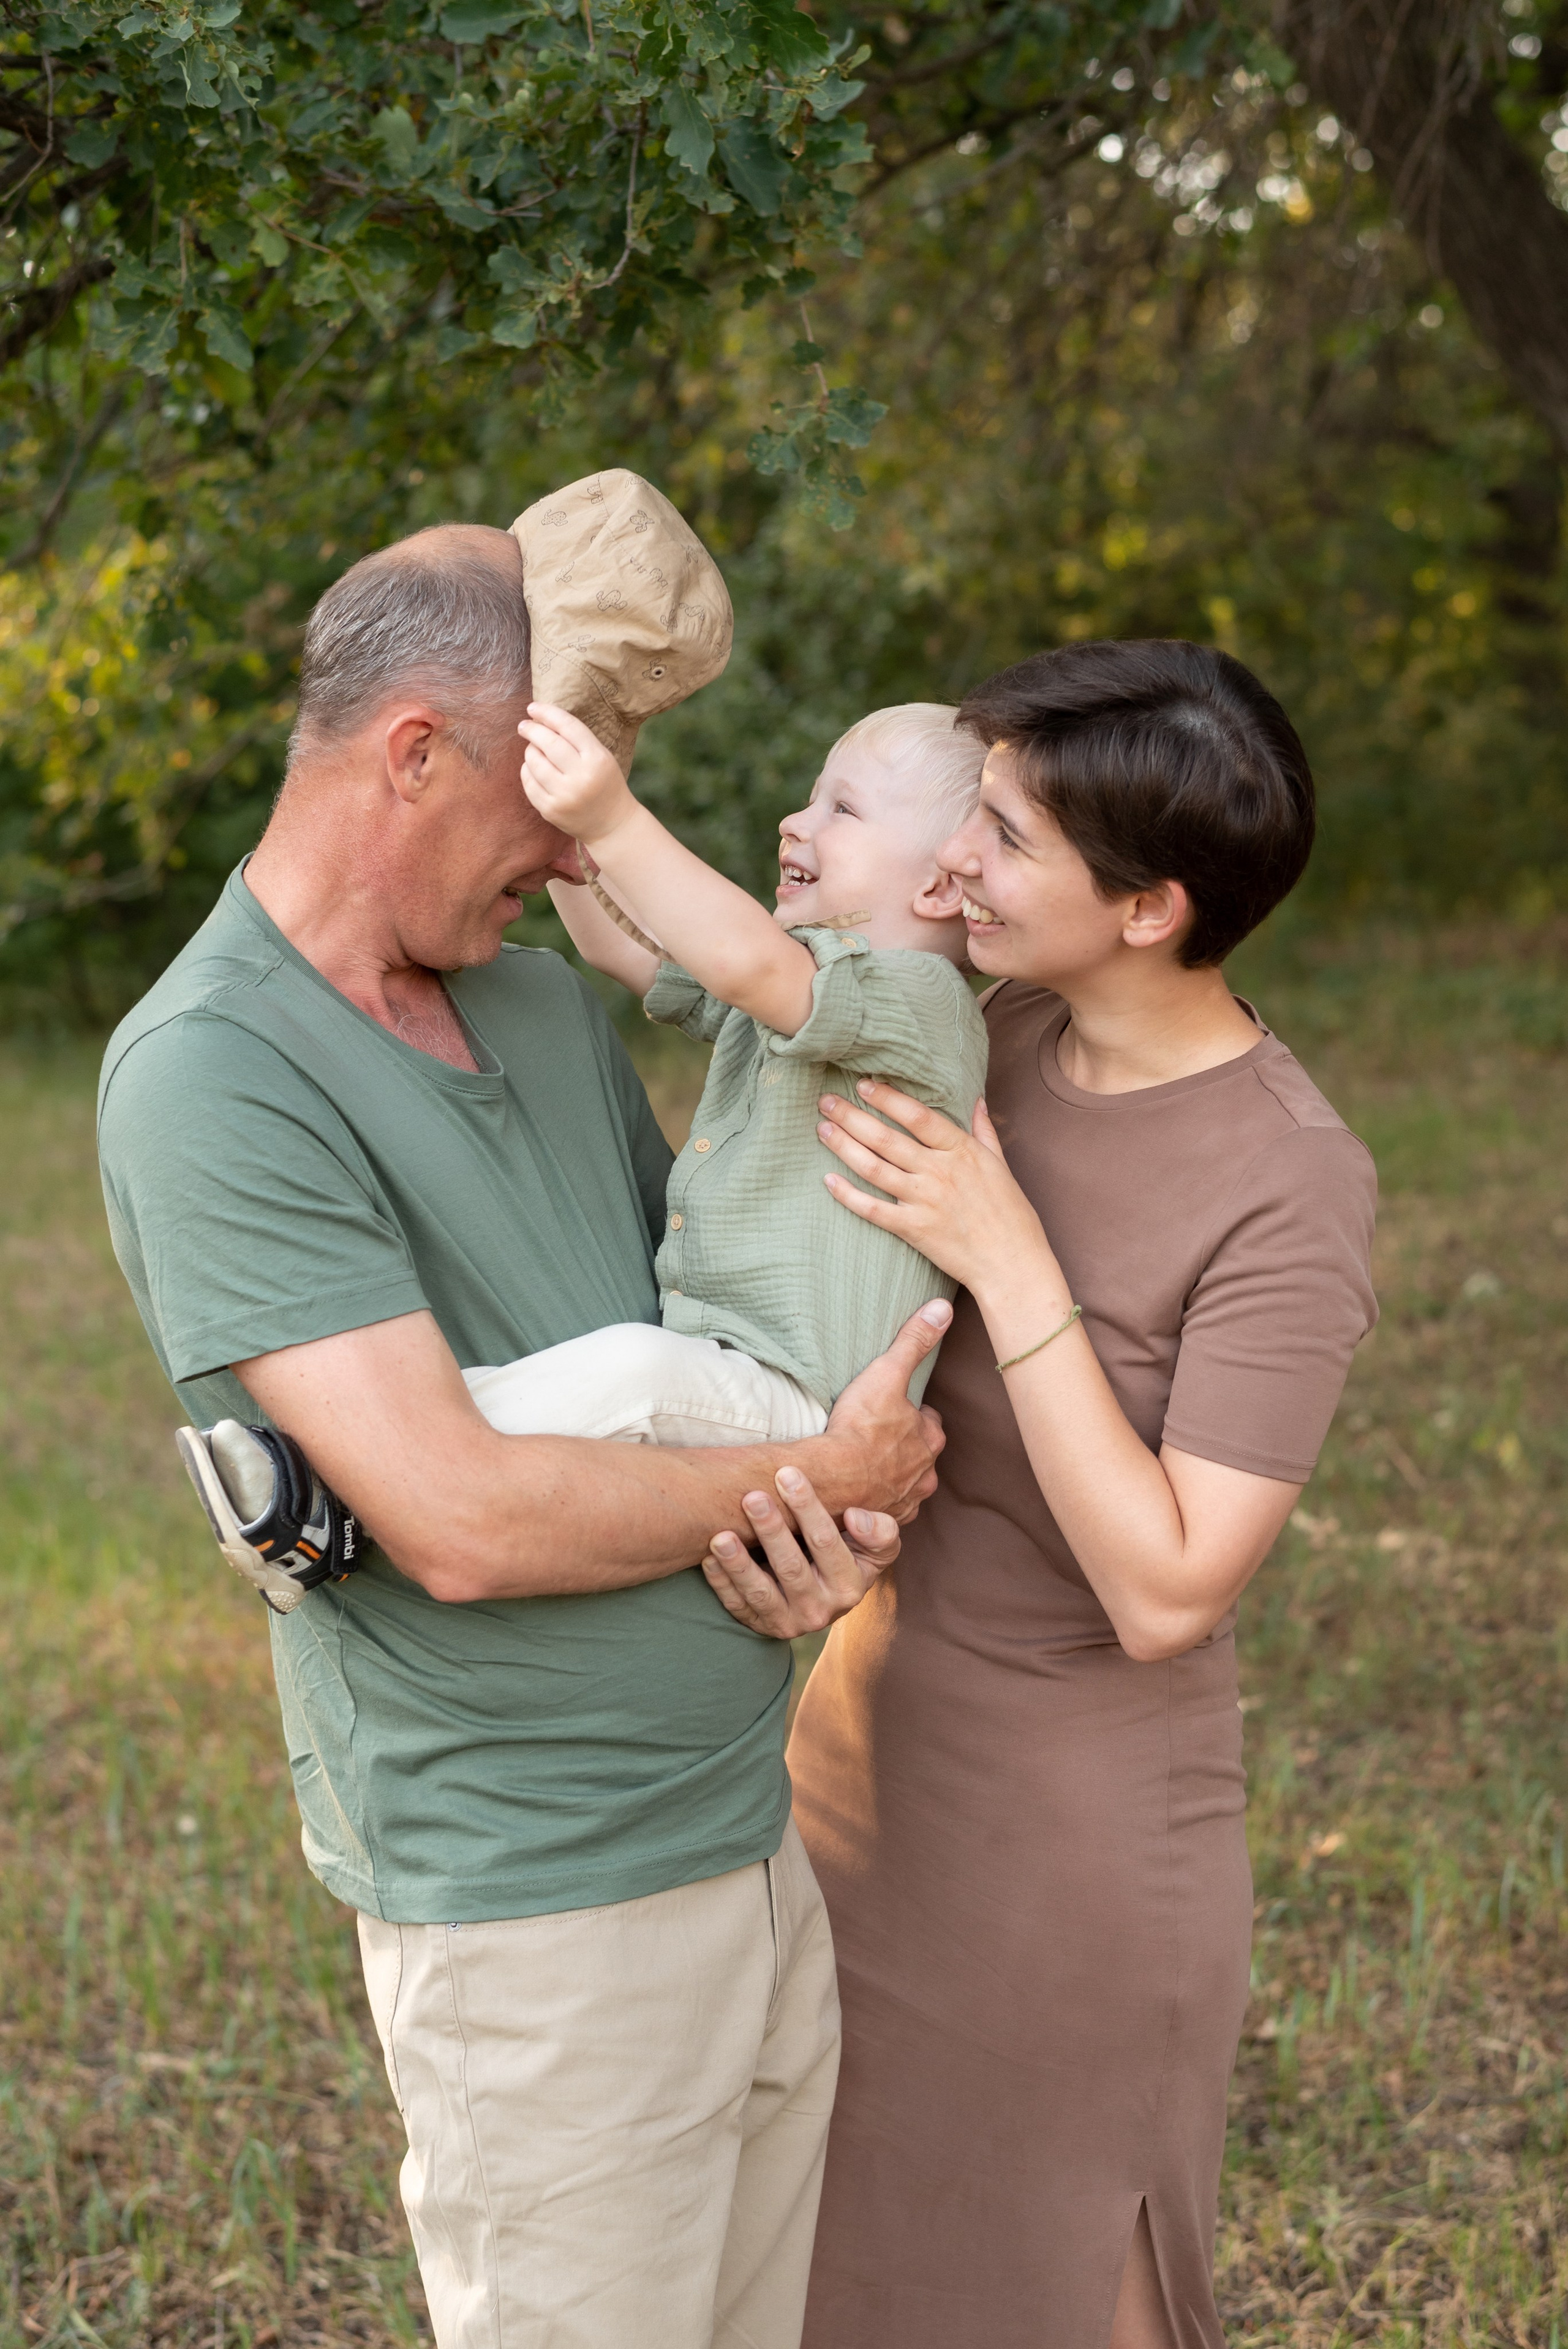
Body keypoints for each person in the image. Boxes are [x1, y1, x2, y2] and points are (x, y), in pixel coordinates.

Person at [96, 494, 949, 2349]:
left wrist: (808, 1522)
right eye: (549, 790)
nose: (576, 849)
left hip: (749, 1838)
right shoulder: (211, 1075)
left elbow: (698, 1347)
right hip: (542, 1909)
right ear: (416, 753)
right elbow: (461, 1519)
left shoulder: (543, 1006)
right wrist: (823, 1472)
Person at [782, 639, 1379, 2349]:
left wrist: (1009, 1251)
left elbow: (1170, 1586)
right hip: (846, 1776)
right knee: (832, 2282)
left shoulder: (1288, 1180)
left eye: (1007, 836)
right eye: (971, 808)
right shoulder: (987, 1033)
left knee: (1055, 2288)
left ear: (1147, 908)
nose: (956, 858)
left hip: (1073, 1851)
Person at [429, 695, 987, 1449]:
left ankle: (386, 1457)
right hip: (721, 1373)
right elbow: (622, 947)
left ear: (942, 888)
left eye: (843, 809)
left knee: (628, 1369)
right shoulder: (790, 993)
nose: (795, 822)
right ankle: (394, 1441)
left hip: (807, 1405)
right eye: (812, 799)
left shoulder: (926, 1000)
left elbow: (742, 960)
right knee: (602, 1369)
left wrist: (613, 819)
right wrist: (564, 831)